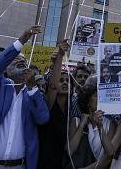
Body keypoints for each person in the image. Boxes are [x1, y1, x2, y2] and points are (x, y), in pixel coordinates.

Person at [0, 25, 49, 169]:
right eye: (15, 59)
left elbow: (42, 118)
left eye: (23, 60)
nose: (21, 61)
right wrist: (21, 41)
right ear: (5, 69)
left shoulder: (33, 94)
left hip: (18, 165)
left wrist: (33, 88)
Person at [66, 82, 121, 169]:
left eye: (102, 97)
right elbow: (69, 152)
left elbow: (110, 154)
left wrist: (100, 126)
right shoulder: (76, 121)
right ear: (88, 101)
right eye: (96, 96)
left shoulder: (110, 123)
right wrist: (81, 126)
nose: (100, 99)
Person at [39, 40, 71, 169]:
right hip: (45, 161)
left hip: (63, 162)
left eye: (68, 81)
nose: (64, 83)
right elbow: (52, 87)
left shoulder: (72, 109)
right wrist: (60, 56)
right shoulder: (49, 104)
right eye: (61, 80)